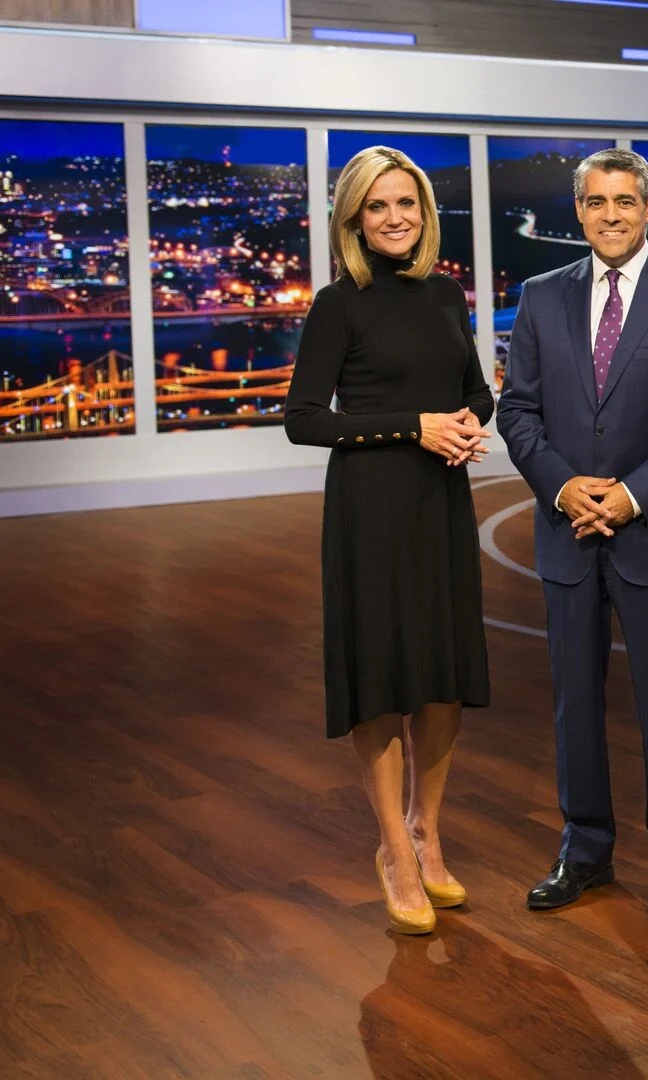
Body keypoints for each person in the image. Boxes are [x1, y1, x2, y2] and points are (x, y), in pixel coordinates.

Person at [496, 148, 648, 920]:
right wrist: (564, 486)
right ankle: (585, 851)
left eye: (625, 201)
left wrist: (633, 496)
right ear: (579, 211)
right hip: (567, 533)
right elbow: (518, 411)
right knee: (574, 704)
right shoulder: (540, 297)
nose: (611, 215)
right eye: (597, 201)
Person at [285, 146, 494, 935]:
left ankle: (426, 831)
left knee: (441, 678)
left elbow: (476, 391)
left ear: (425, 212)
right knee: (381, 677)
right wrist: (415, 427)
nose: (395, 217)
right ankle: (394, 853)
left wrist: (469, 422)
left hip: (441, 501)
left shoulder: (445, 294)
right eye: (378, 205)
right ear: (354, 219)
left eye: (407, 202)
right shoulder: (339, 304)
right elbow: (304, 420)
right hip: (369, 509)